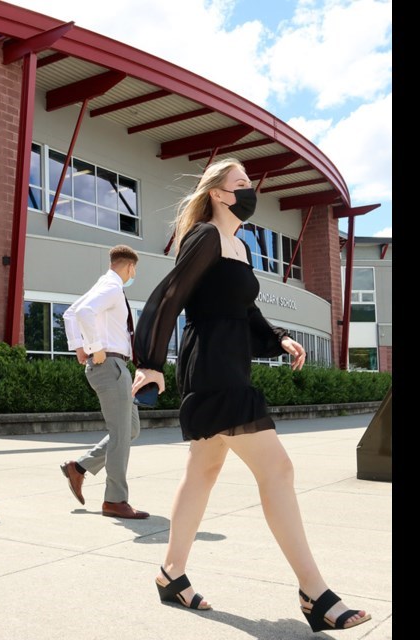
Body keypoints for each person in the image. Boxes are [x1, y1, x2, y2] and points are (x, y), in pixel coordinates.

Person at [131, 158, 370, 630]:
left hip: (229, 361)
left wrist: (277, 337)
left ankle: (171, 574)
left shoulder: (238, 246)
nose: (248, 191)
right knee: (277, 468)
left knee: (203, 473)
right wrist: (150, 363)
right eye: (239, 184)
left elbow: (244, 308)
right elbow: (170, 296)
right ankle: (314, 593)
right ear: (218, 194)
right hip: (213, 368)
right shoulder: (204, 237)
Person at [59, 245, 148, 519]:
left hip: (113, 366)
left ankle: (80, 467)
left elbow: (70, 313)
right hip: (110, 365)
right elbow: (83, 312)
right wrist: (93, 347)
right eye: (135, 270)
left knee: (130, 429)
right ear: (130, 267)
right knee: (121, 433)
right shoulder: (111, 287)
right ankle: (115, 500)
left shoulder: (105, 284)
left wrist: (79, 348)